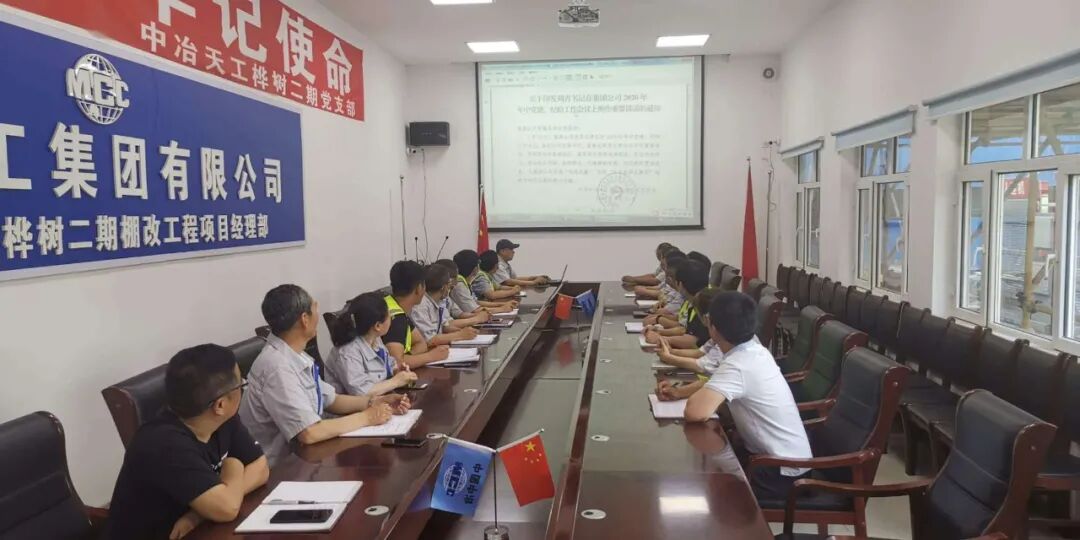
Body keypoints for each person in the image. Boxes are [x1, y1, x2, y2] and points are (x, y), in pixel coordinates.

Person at [106, 344, 269, 539]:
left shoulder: (222, 420)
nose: (242, 388)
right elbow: (227, 509)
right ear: (220, 405)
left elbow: (260, 468)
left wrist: (198, 515)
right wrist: (234, 465)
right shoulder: (162, 443)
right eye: (241, 384)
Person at [666, 292, 812, 501]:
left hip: (781, 473)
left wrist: (683, 393)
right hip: (782, 461)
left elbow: (695, 412)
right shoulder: (754, 350)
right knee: (709, 473)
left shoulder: (739, 364)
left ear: (712, 327)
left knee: (709, 491)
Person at [240, 284, 408, 465]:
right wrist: (367, 417)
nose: (318, 314)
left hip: (305, 460)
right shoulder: (277, 367)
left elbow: (331, 399)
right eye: (315, 308)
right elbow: (309, 432)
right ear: (305, 319)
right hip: (279, 470)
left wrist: (374, 402)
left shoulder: (295, 355)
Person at [325, 292, 419, 397]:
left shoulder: (375, 338)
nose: (391, 318)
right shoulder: (347, 352)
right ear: (378, 326)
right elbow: (361, 392)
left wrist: (397, 372)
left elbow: (389, 365)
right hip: (356, 406)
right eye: (389, 315)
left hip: (380, 401)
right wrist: (396, 381)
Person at [383, 260, 454, 368]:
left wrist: (408, 357)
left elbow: (421, 343)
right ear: (419, 288)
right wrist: (431, 356)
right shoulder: (395, 318)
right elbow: (397, 363)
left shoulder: (397, 306)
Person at [411, 263, 486, 342]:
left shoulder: (437, 301)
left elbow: (444, 326)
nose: (450, 287)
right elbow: (430, 339)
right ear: (443, 287)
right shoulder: (421, 306)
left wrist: (461, 331)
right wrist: (460, 335)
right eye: (449, 284)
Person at [643, 259, 708, 345]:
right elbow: (684, 327)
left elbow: (695, 340)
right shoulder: (696, 301)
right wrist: (659, 330)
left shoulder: (702, 306)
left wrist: (661, 339)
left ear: (680, 284)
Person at [449, 250, 518, 314]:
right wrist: (502, 309)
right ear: (475, 268)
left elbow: (476, 302)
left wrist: (502, 304)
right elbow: (475, 310)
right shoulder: (459, 285)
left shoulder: (465, 281)